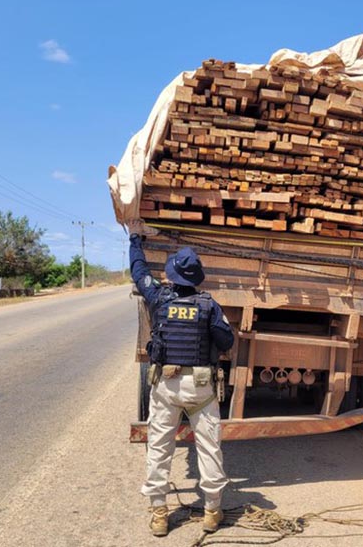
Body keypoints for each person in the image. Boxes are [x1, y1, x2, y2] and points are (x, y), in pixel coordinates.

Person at [127, 220, 234, 537]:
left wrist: (136, 239)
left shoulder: (159, 298)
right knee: (210, 449)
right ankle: (212, 512)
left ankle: (159, 515)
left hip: (166, 387)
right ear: (196, 278)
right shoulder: (208, 305)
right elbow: (226, 342)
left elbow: (138, 272)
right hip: (201, 389)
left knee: (159, 449)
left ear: (172, 275)